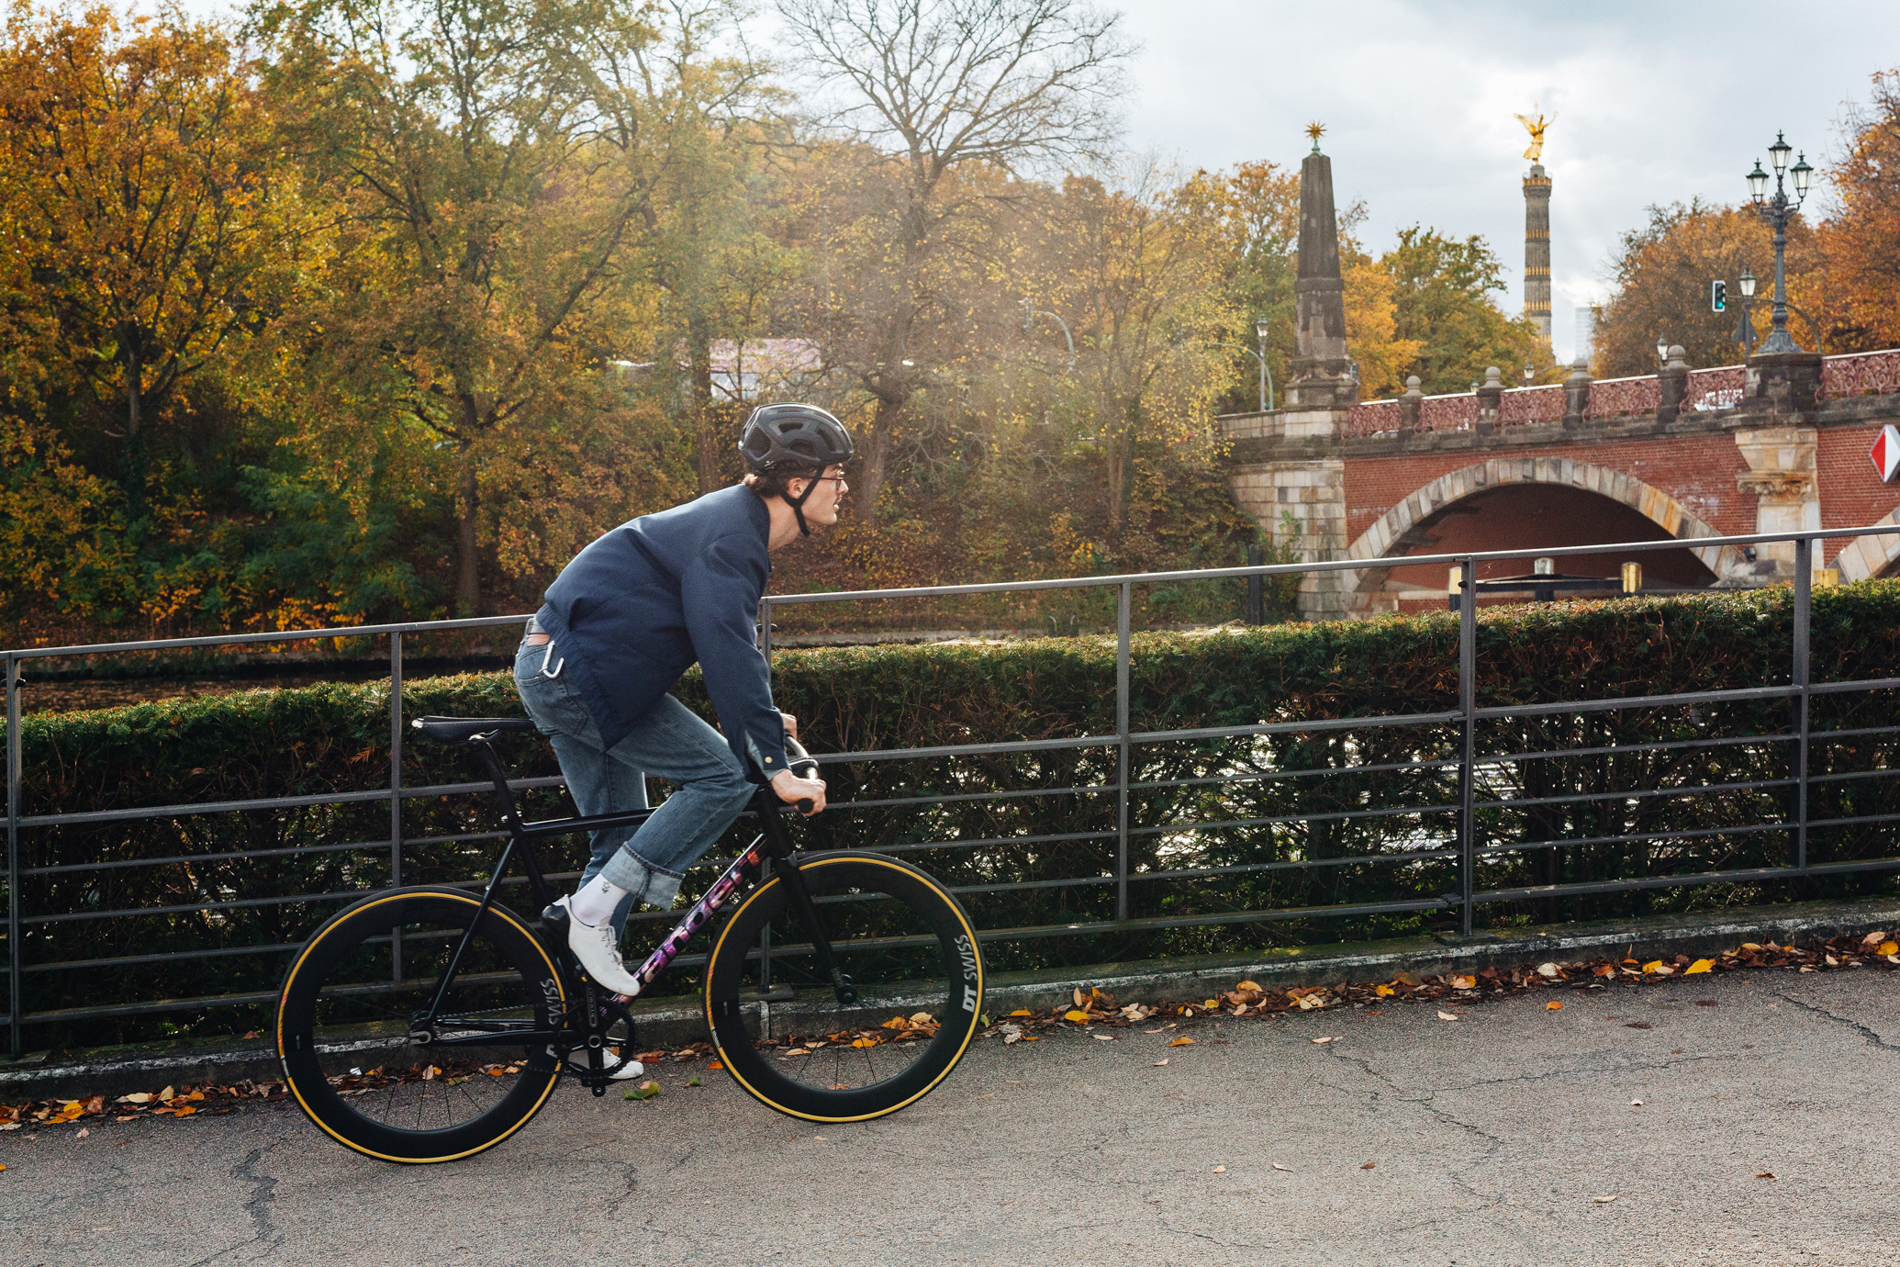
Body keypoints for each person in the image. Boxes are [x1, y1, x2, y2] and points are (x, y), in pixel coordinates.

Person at [514, 403, 851, 1033]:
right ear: (799, 484)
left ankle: (589, 1030)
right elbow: (726, 645)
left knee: (615, 849)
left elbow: (720, 647)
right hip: (580, 682)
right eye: (836, 475)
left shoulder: (731, 524)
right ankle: (587, 917)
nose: (845, 488)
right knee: (726, 777)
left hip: (571, 672)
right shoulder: (732, 534)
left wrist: (763, 721)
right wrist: (769, 764)